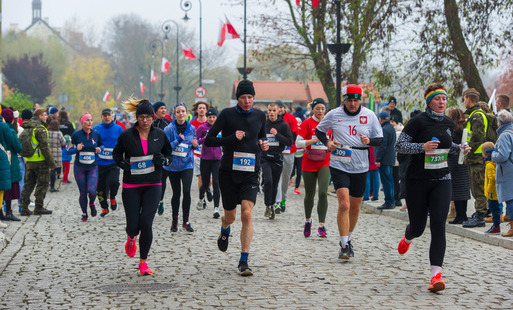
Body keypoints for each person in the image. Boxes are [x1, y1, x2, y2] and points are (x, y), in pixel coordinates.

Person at [395, 83, 469, 292]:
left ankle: (435, 276)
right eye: (438, 99)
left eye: (444, 99)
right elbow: (399, 146)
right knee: (418, 227)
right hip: (417, 181)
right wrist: (422, 147)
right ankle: (409, 236)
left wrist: (460, 148)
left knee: (438, 225)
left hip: (442, 180)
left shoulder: (447, 122)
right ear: (429, 101)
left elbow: (447, 146)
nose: (442, 102)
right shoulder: (417, 122)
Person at [204, 79, 268, 276]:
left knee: (247, 214)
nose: (247, 101)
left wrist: (263, 145)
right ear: (237, 98)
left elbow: (261, 138)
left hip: (250, 172)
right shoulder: (226, 114)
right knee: (231, 216)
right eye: (243, 98)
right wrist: (232, 138)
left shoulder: (259, 116)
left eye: (250, 97)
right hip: (228, 173)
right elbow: (209, 140)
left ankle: (244, 260)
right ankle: (224, 227)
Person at [316, 85, 383, 259]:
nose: (352, 104)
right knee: (344, 203)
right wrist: (327, 142)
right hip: (339, 163)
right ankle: (344, 244)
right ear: (344, 100)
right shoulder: (334, 114)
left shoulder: (369, 115)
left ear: (360, 100)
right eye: (349, 100)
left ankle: (348, 237)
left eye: (355, 100)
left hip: (360, 164)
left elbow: (380, 139)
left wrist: (369, 140)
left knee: (355, 206)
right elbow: (319, 130)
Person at [113, 99, 172, 276]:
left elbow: (169, 154)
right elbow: (117, 153)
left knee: (146, 223)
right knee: (133, 226)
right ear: (136, 118)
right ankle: (131, 237)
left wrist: (165, 160)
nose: (144, 120)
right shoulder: (127, 135)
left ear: (153, 118)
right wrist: (121, 163)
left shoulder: (160, 134)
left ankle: (143, 262)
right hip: (132, 185)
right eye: (141, 117)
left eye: (147, 117)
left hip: (153, 184)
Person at [296, 98, 331, 238]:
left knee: (323, 192)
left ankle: (321, 225)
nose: (320, 111)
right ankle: (308, 221)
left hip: (325, 161)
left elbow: (336, 138)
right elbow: (298, 143)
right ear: (313, 109)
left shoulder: (330, 124)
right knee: (309, 195)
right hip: (309, 161)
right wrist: (313, 140)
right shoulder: (307, 123)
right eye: (318, 109)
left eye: (323, 109)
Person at [164, 102, 197, 233]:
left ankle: (186, 221)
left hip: (187, 164)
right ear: (175, 113)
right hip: (173, 166)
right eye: (178, 111)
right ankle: (174, 221)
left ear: (186, 113)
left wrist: (195, 145)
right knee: (176, 194)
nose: (181, 114)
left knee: (187, 191)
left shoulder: (192, 128)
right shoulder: (168, 129)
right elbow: (165, 147)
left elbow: (194, 144)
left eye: (183, 111)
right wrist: (177, 140)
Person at [19, 108, 56, 216]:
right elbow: (45, 148)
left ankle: (24, 208)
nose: (46, 117)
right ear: (39, 116)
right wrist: (52, 163)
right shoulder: (40, 129)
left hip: (30, 161)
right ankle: (38, 207)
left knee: (28, 185)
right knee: (42, 185)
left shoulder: (26, 128)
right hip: (41, 162)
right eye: (44, 115)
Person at [461, 88, 490, 228]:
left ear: (468, 98)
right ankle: (479, 213)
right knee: (476, 187)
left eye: (464, 99)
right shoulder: (474, 114)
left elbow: (478, 136)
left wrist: (468, 150)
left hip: (477, 157)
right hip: (475, 157)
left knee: (478, 187)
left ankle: (480, 215)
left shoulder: (476, 115)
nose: (463, 102)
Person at [68, 113, 103, 222]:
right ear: (82, 122)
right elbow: (69, 151)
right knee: (83, 192)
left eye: (91, 120)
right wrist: (76, 149)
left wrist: (99, 149)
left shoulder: (96, 134)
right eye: (87, 120)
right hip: (80, 168)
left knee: (92, 190)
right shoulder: (76, 135)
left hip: (92, 167)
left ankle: (92, 203)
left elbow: (101, 145)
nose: (89, 122)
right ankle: (84, 213)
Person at [261, 103, 293, 219]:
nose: (272, 113)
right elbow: (257, 138)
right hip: (265, 158)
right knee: (268, 181)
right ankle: (267, 205)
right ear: (267, 111)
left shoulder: (283, 125)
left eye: (274, 110)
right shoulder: (263, 124)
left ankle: (273, 205)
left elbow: (289, 141)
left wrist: (277, 135)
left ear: (278, 111)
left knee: (274, 184)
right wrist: (260, 142)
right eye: (270, 110)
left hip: (277, 158)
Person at [93, 108, 124, 217]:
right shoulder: (96, 129)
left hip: (113, 162)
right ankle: (104, 208)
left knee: (114, 182)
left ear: (112, 116)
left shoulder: (119, 129)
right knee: (100, 188)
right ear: (101, 117)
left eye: (108, 115)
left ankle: (113, 197)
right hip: (99, 163)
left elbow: (124, 143)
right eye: (104, 115)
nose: (106, 117)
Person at [445, 107, 471, 224]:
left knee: (456, 189)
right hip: (463, 160)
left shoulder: (451, 129)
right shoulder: (464, 128)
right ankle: (463, 215)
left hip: (454, 161)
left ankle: (459, 216)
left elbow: (449, 145)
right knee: (463, 189)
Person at [196, 108, 222, 219]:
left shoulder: (221, 128)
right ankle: (201, 197)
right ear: (207, 117)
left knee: (216, 183)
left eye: (214, 117)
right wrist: (204, 139)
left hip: (217, 159)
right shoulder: (202, 128)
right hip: (205, 159)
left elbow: (224, 140)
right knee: (205, 184)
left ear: (217, 118)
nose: (211, 119)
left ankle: (216, 208)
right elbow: (196, 142)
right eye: (210, 117)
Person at [490, 110, 513, 237]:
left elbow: (503, 155)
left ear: (500, 122)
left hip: (508, 173)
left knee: (510, 201)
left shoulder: (504, 135)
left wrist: (493, 154)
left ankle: (512, 228)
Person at [273, 102, 298, 214]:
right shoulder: (272, 119)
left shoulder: (291, 119)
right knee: (277, 177)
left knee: (286, 178)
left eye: (281, 108)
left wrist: (280, 137)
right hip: (276, 152)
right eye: (277, 108)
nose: (279, 110)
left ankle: (283, 199)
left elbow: (293, 136)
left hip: (289, 151)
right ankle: (277, 201)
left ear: (284, 108)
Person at [0, 108, 22, 221]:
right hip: (9, 159)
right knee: (9, 186)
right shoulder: (9, 129)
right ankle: (8, 211)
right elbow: (18, 147)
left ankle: (2, 211)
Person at [152, 101, 172, 215]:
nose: (164, 110)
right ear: (156, 111)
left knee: (162, 180)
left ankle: (160, 201)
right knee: (154, 179)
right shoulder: (152, 123)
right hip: (153, 156)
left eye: (165, 108)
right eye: (161, 108)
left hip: (164, 155)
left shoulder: (169, 124)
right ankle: (153, 201)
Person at [190, 101, 210, 210]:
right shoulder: (192, 123)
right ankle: (202, 199)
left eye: (203, 108)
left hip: (210, 153)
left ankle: (207, 189)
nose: (202, 110)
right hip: (197, 153)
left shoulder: (211, 121)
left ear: (206, 110)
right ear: (197, 110)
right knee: (201, 177)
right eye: (200, 108)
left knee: (210, 180)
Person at [375, 111, 396, 210]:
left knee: (386, 181)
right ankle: (392, 200)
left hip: (384, 159)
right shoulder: (391, 128)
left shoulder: (384, 129)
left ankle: (389, 201)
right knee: (390, 180)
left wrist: (378, 159)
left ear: (381, 119)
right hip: (390, 158)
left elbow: (382, 146)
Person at [481, 142, 502, 234]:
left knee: (494, 210)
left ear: (485, 154)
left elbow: (492, 179)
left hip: (492, 193)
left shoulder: (489, 165)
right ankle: (496, 225)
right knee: (497, 208)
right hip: (496, 192)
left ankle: (496, 226)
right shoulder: (495, 162)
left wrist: (489, 191)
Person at [47, 120, 65, 192]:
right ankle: (52, 187)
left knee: (50, 169)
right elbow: (63, 142)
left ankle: (49, 183)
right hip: (57, 153)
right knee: (54, 169)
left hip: (48, 153)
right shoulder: (59, 133)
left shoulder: (47, 132)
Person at [390, 115, 404, 206]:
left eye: (393, 122)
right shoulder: (395, 131)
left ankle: (398, 198)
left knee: (396, 179)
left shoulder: (398, 132)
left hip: (396, 159)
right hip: (396, 159)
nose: (391, 123)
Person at [289, 117, 304, 195]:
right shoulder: (291, 131)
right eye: (296, 122)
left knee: (299, 171)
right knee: (292, 170)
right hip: (293, 153)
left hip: (301, 154)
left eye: (299, 122)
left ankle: (296, 187)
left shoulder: (303, 130)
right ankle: (290, 178)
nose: (298, 124)